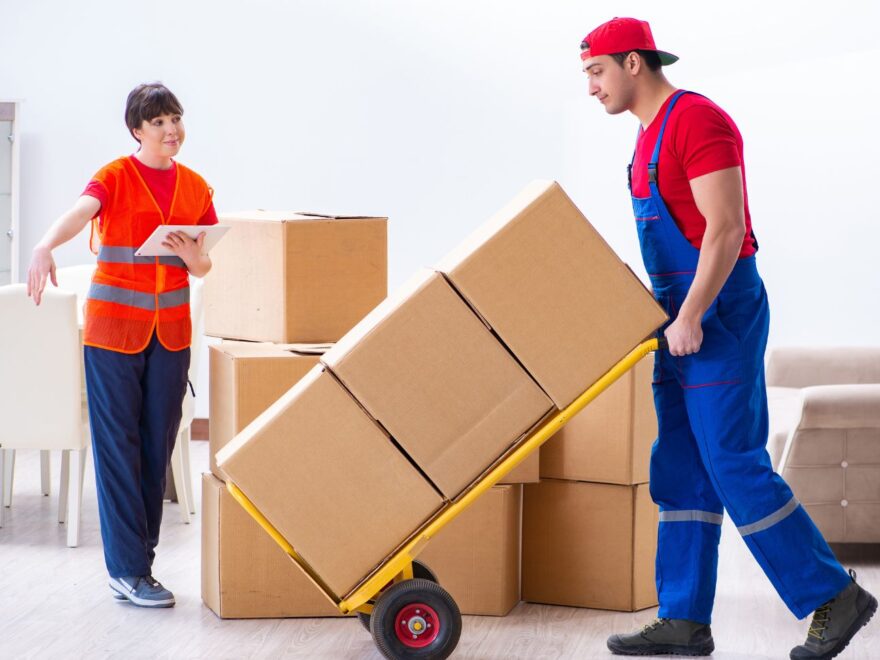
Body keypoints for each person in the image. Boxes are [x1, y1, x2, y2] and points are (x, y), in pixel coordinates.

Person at [579, 17, 876, 659]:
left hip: (717, 316)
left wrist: (690, 317)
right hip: (675, 320)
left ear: (634, 63)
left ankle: (834, 595)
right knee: (681, 468)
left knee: (733, 462)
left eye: (596, 71)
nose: (591, 87)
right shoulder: (643, 140)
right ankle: (684, 618)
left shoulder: (697, 121)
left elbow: (726, 229)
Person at [27, 82, 217, 608]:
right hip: (113, 334)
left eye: (174, 119)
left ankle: (140, 565)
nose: (170, 129)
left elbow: (203, 264)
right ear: (137, 130)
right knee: (119, 448)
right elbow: (81, 211)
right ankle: (129, 570)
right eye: (157, 122)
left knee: (156, 446)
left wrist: (193, 257)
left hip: (170, 334)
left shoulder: (197, 187)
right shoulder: (115, 176)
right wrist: (44, 246)